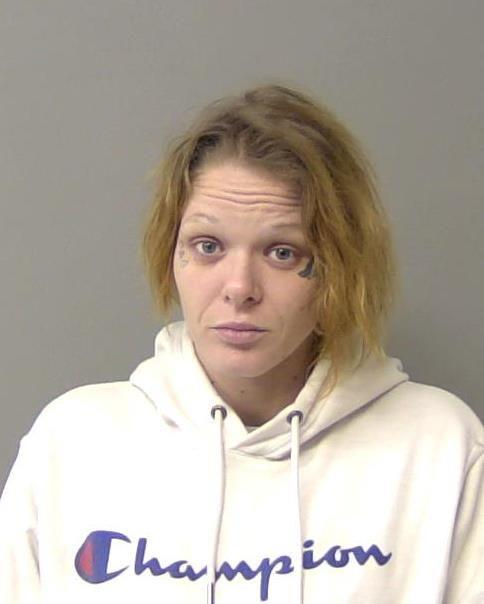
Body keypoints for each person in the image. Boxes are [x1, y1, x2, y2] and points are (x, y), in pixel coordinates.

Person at [0, 84, 482, 604]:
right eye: (208, 246)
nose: (239, 288)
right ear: (171, 253)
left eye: (282, 252)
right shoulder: (72, 443)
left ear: (340, 268)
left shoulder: (441, 446)